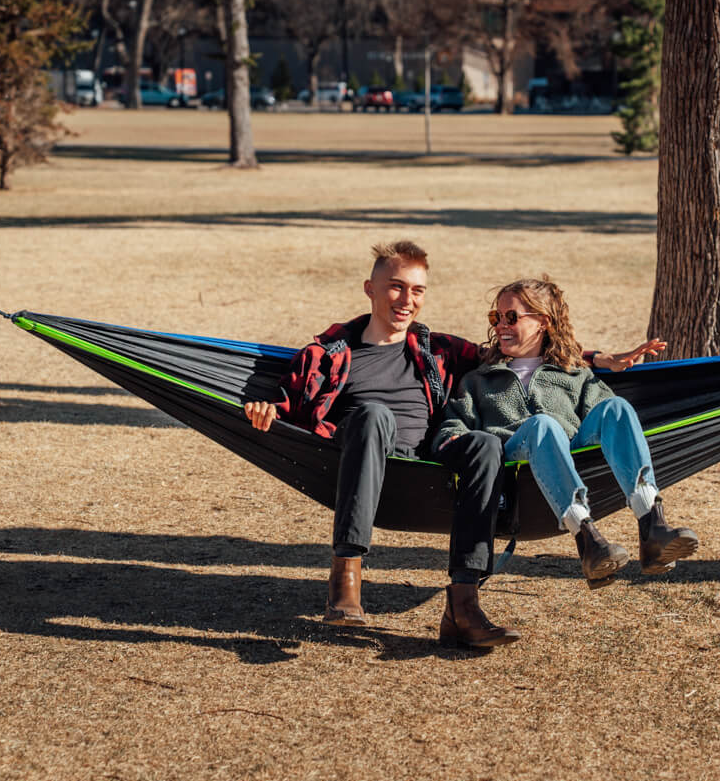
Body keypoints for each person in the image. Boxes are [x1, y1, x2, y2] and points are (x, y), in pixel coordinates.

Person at [243, 243, 657, 649]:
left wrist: (597, 358)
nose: (407, 300)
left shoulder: (436, 348)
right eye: (396, 287)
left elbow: (523, 349)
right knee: (373, 414)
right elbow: (290, 400)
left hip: (430, 461)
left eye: (417, 290)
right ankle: (346, 575)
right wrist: (269, 408)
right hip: (368, 457)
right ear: (370, 289)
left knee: (485, 445)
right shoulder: (330, 352)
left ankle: (464, 605)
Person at [434, 276, 698, 590]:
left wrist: (595, 362)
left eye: (512, 317)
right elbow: (454, 423)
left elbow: (609, 423)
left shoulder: (574, 374)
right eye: (496, 317)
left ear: (542, 322)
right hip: (513, 463)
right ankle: (586, 538)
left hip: (569, 457)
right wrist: (452, 441)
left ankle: (652, 524)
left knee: (617, 408)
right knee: (542, 425)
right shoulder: (479, 379)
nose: (501, 325)